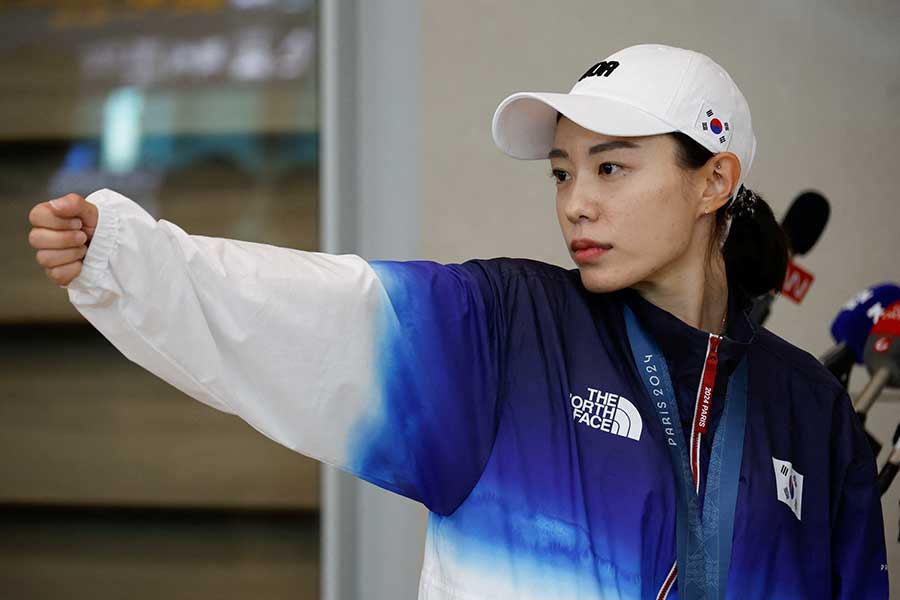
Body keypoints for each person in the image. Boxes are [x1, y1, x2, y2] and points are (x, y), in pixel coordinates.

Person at [26, 43, 887, 599]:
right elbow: (299, 311)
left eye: (612, 168)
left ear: (713, 181)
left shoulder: (811, 413)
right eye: (560, 173)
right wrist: (127, 259)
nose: (577, 205)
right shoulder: (502, 331)